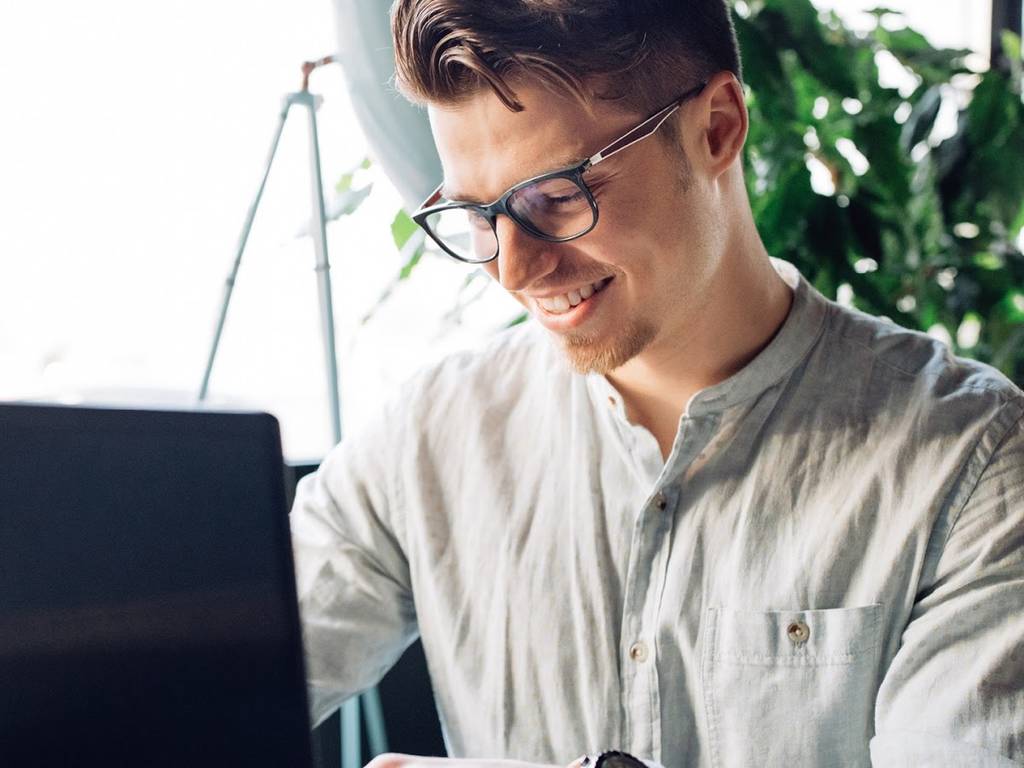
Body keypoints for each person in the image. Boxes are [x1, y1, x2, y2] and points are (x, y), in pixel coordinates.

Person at [289, 1, 1024, 766]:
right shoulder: (428, 438)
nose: (515, 269)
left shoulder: (973, 468)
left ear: (717, 128)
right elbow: (199, 690)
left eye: (559, 195)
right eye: (479, 214)